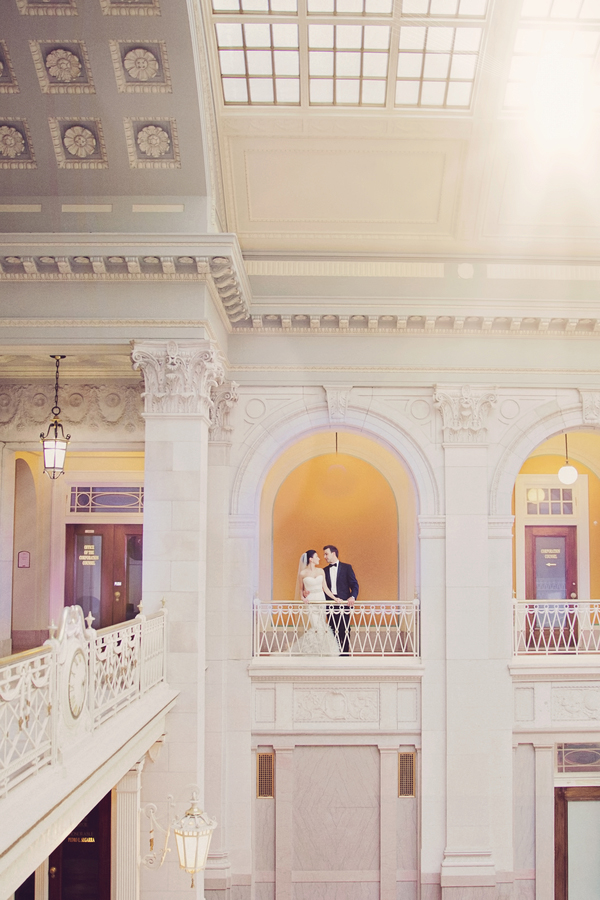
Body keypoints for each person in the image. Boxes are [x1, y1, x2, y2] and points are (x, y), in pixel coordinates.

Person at [291, 550, 340, 656]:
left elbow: (325, 588)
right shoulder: (303, 573)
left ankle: (322, 650)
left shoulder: (321, 571)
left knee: (322, 624)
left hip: (321, 599)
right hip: (311, 600)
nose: (319, 558)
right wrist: (302, 597)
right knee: (316, 626)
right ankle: (313, 651)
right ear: (311, 559)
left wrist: (335, 598)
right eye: (317, 557)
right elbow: (301, 589)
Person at [323, 545, 359, 656]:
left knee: (345, 629)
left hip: (344, 603)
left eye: (326, 554)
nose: (324, 557)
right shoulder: (324, 571)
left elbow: (354, 584)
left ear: (333, 553)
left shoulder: (347, 568)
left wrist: (352, 597)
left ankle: (345, 655)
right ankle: (335, 654)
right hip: (330, 603)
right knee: (332, 629)